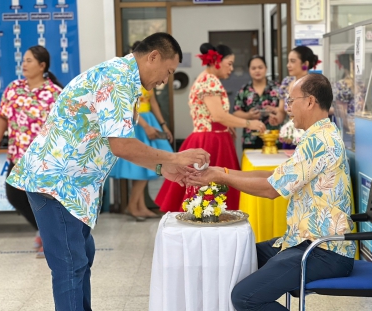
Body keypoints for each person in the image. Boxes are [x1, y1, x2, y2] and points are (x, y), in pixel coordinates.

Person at [6, 32, 210, 311]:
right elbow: (122, 145)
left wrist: (163, 167)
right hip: (55, 183)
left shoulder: (123, 77)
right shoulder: (116, 79)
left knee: (81, 258)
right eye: (168, 71)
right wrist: (175, 157)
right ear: (153, 56)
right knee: (69, 265)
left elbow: (111, 142)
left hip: (74, 185)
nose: (165, 80)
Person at [187, 73, 356, 311]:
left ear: (309, 101)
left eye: (291, 101)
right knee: (239, 258)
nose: (288, 108)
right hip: (302, 241)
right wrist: (220, 172)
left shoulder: (320, 140)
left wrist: (222, 178)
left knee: (245, 297)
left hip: (324, 251)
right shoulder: (318, 134)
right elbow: (276, 175)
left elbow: (270, 190)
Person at [155, 43, 265, 212]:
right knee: (210, 189)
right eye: (229, 63)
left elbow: (215, 116)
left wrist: (227, 125)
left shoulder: (206, 79)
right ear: (216, 62)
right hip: (211, 141)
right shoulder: (209, 81)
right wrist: (250, 123)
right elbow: (218, 115)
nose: (231, 68)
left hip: (212, 136)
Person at [0, 45, 63, 258]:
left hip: (45, 159)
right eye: (23, 60)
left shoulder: (55, 93)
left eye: (29, 61)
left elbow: (62, 127)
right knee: (15, 196)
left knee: (44, 200)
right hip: (18, 157)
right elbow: (2, 118)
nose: (23, 64)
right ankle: (45, 230)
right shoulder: (13, 88)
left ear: (42, 65)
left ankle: (50, 238)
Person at [110, 41, 174, 221]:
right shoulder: (129, 78)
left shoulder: (147, 78)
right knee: (141, 165)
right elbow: (130, 106)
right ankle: (134, 205)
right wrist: (146, 126)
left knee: (151, 165)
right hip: (138, 122)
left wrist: (163, 124)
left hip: (149, 120)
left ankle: (139, 205)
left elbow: (153, 102)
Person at [271, 46, 320, 148]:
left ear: (305, 64)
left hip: (309, 137)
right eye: (288, 61)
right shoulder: (286, 82)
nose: (288, 65)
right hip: (289, 137)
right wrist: (277, 119)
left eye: (292, 61)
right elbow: (281, 111)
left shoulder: (315, 84)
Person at [233, 55, 285, 149]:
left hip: (274, 137)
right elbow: (236, 112)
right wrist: (249, 115)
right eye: (253, 68)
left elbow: (283, 112)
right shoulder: (244, 90)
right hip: (250, 138)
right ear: (249, 70)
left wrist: (277, 118)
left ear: (266, 68)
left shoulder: (278, 88)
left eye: (260, 67)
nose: (257, 70)